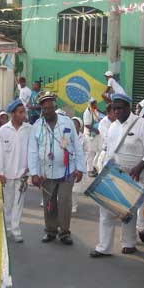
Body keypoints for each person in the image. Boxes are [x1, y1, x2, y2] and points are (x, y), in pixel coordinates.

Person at [90, 94, 144, 258]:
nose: (116, 111)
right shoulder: (113, 126)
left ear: (128, 107)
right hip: (114, 173)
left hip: (135, 175)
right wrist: (104, 171)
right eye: (114, 109)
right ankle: (104, 247)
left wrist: (139, 167)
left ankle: (129, 243)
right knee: (106, 210)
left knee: (129, 212)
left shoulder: (142, 124)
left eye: (120, 108)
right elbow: (109, 151)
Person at [28, 92, 85, 245]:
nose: (47, 111)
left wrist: (80, 168)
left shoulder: (67, 122)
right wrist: (34, 173)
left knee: (65, 202)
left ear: (55, 107)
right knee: (49, 202)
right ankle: (50, 230)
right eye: (44, 109)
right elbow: (32, 151)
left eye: (49, 108)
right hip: (46, 172)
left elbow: (77, 146)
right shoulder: (37, 126)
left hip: (67, 170)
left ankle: (65, 233)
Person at [0, 98, 33, 243]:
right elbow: (0, 153)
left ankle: (16, 229)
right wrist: (0, 173)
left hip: (22, 173)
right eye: (20, 112)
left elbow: (32, 151)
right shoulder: (3, 130)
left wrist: (29, 172)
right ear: (13, 114)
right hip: (7, 174)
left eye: (24, 112)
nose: (23, 114)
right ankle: (7, 229)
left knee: (19, 203)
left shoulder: (29, 129)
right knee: (8, 203)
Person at [83, 98, 104, 177]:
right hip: (89, 135)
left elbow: (97, 118)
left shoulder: (94, 110)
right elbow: (87, 125)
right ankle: (89, 170)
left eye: (95, 103)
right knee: (90, 153)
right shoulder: (87, 112)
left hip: (95, 134)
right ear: (89, 104)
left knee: (99, 150)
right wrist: (95, 130)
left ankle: (94, 166)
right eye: (93, 104)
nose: (95, 105)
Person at [95, 105, 117, 173]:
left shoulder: (117, 121)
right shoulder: (103, 123)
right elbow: (108, 138)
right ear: (108, 113)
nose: (116, 113)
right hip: (106, 153)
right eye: (113, 112)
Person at [71, 116, 86, 214]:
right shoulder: (66, 135)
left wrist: (80, 166)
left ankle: (74, 206)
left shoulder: (84, 138)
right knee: (65, 186)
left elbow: (86, 152)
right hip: (67, 165)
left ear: (79, 126)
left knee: (75, 189)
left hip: (78, 165)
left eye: (75, 124)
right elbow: (62, 147)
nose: (73, 126)